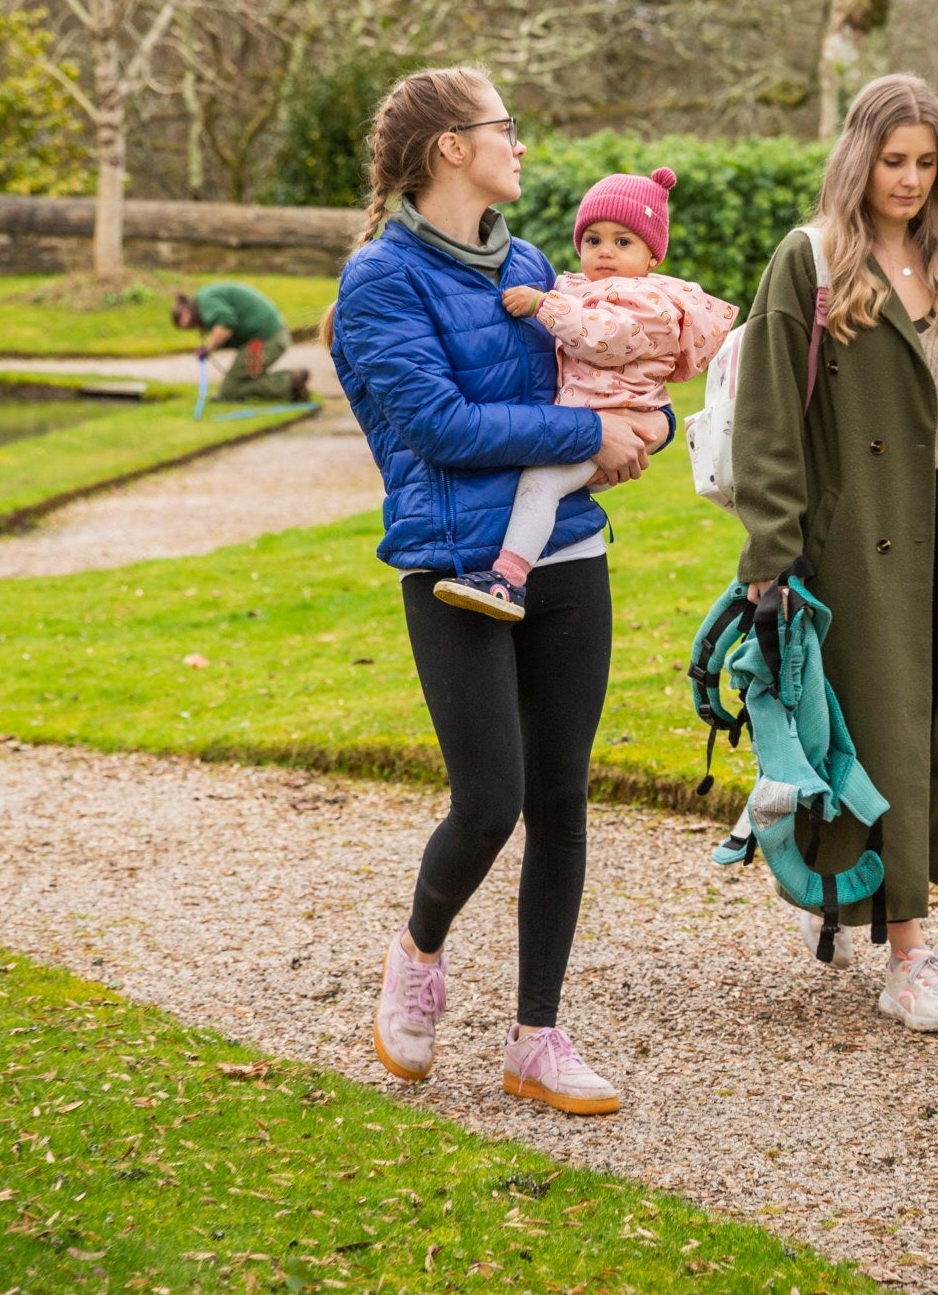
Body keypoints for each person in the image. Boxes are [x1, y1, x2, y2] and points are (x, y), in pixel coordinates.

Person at [324, 65, 653, 1116]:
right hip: (454, 565)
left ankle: (536, 1038)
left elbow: (584, 382)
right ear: (451, 147)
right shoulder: (379, 281)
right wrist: (584, 434)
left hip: (569, 556)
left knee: (560, 801)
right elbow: (438, 427)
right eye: (504, 126)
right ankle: (417, 954)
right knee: (489, 800)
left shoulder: (528, 260)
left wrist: (643, 421)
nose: (521, 142)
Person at [728, 72, 938, 1034]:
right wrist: (772, 552)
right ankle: (909, 958)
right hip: (859, 541)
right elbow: (767, 423)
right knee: (884, 740)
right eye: (891, 160)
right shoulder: (812, 262)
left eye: (925, 162)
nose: (907, 180)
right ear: (857, 157)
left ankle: (844, 882)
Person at [432, 166, 737, 622]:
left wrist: (543, 306)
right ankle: (509, 576)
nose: (605, 252)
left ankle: (507, 580)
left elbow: (608, 339)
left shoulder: (651, 303)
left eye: (623, 242)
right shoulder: (581, 288)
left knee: (541, 483)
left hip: (617, 418)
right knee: (539, 483)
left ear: (652, 256)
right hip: (590, 422)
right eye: (593, 240)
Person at [173, 280, 305, 403]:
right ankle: (292, 379)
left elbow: (225, 325)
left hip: (264, 341)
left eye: (190, 325)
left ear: (185, 312)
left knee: (230, 390)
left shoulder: (205, 301)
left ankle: (289, 382)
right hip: (269, 337)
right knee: (248, 376)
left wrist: (207, 349)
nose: (194, 327)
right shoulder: (205, 299)